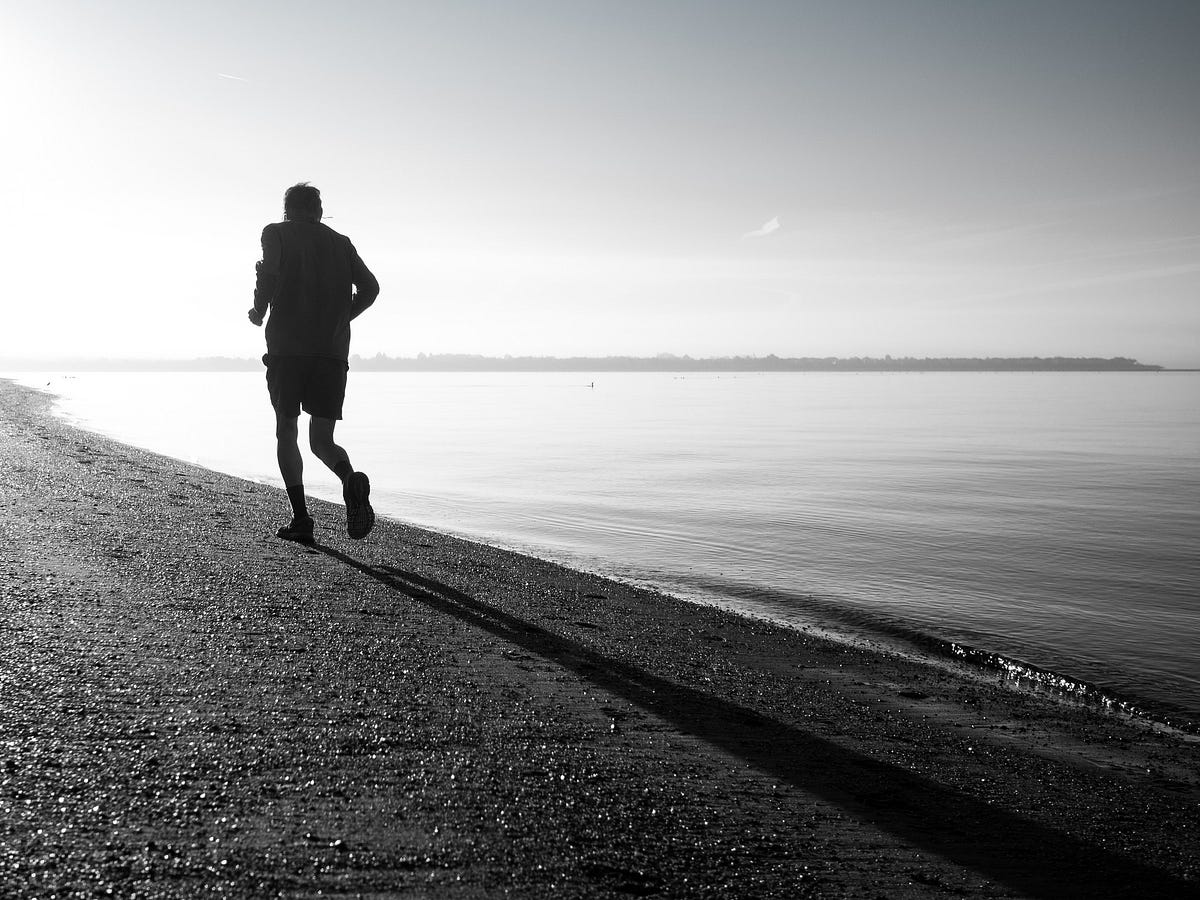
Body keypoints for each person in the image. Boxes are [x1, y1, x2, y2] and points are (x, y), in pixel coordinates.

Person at [248, 183, 380, 544]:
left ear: (287, 210)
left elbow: (270, 274)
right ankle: (349, 478)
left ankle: (302, 520)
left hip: (288, 351)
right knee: (322, 440)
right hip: (331, 355)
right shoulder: (342, 243)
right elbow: (371, 288)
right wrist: (340, 319)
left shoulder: (275, 232)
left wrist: (258, 311)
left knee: (286, 430)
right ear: (318, 211)